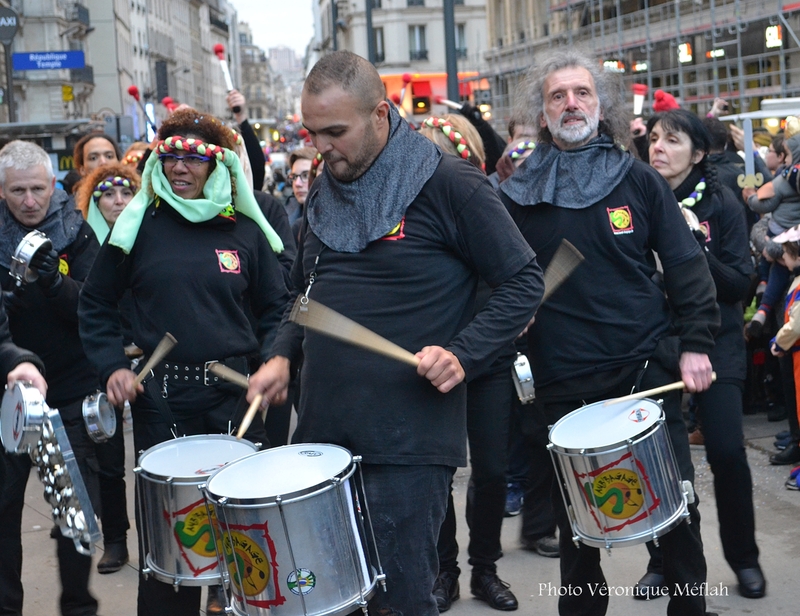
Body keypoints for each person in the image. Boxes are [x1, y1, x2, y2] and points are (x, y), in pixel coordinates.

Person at [246, 50, 543, 616]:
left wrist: (463, 353)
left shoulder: (452, 183)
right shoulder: (327, 190)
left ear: (381, 115)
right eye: (313, 133)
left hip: (409, 440)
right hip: (323, 433)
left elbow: (523, 281)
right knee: (331, 598)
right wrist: (282, 355)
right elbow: (304, 295)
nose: (321, 148)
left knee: (400, 601)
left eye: (336, 131)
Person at [500, 48, 720, 616]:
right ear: (541, 111)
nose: (571, 104)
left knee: (675, 510)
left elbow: (687, 267)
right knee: (580, 526)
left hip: (641, 371)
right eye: (558, 96)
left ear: (601, 105)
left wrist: (695, 344)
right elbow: (493, 280)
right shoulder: (516, 195)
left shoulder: (639, 180)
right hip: (561, 380)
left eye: (581, 94)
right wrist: (510, 311)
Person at [78, 108, 290, 616]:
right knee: (172, 553)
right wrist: (113, 367)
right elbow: (96, 303)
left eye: (192, 160)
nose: (179, 168)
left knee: (247, 544)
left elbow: (277, 307)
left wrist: (277, 358)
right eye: (169, 157)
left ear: (215, 166)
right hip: (163, 405)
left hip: (236, 398)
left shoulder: (242, 230)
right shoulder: (138, 229)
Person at [641, 109, 764, 598]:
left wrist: (693, 247)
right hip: (656, 343)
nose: (658, 148)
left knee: (728, 452)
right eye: (652, 139)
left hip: (717, 342)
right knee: (658, 461)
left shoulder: (722, 205)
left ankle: (745, 559)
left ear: (698, 152)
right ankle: (664, 562)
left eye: (671, 140)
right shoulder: (638, 200)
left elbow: (740, 283)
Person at [419, 116, 519, 611]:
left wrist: (520, 312)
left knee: (494, 471)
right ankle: (445, 569)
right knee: (437, 470)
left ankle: (485, 568)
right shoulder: (409, 211)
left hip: (488, 359)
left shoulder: (491, 205)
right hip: (431, 361)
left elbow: (522, 276)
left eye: (441, 153)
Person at [0, 139, 103, 616]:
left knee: (75, 511)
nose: (28, 201)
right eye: (17, 190)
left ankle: (78, 606)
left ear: (52, 185)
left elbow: (97, 309)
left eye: (37, 189)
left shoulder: (76, 232)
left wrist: (55, 283)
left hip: (69, 387)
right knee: (3, 515)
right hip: (10, 393)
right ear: (2, 192)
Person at [74, 161, 141, 574]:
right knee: (109, 460)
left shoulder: (146, 236)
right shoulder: (82, 243)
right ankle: (115, 539)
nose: (117, 201)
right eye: (108, 195)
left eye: (125, 193)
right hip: (103, 364)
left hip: (149, 361)